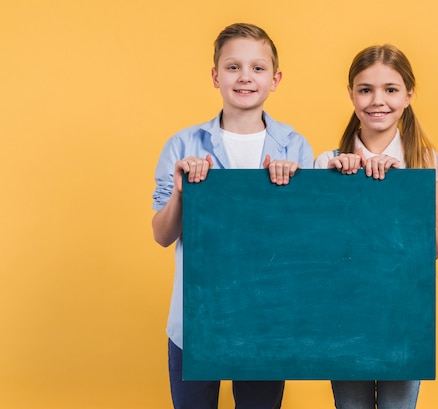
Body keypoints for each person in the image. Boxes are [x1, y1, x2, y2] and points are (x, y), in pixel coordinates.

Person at [152, 23, 314, 409]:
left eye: (258, 68)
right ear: (215, 76)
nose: (245, 77)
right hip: (194, 319)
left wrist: (293, 196)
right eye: (233, 67)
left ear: (275, 79)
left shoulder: (294, 146)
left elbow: (306, 245)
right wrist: (181, 192)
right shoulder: (183, 144)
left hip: (266, 319)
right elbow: (161, 234)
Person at [314, 44, 438, 409]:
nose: (378, 101)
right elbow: (318, 249)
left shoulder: (425, 161)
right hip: (344, 311)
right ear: (351, 95)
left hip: (403, 311)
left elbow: (436, 243)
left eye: (390, 90)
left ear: (408, 95)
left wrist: (397, 190)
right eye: (365, 89)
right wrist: (341, 185)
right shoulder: (327, 162)